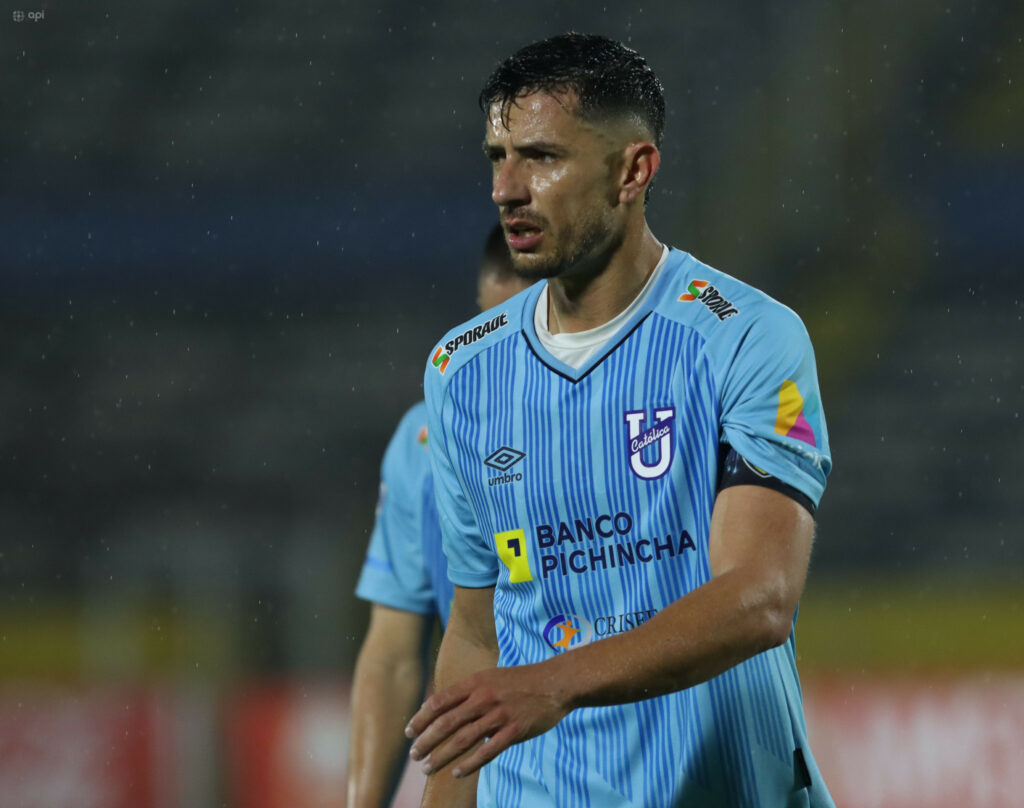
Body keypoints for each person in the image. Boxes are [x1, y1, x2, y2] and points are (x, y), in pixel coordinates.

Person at [408, 33, 835, 808]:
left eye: (541, 157)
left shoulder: (746, 335)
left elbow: (761, 595)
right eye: (496, 156)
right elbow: (475, 633)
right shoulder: (459, 371)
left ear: (633, 171)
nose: (506, 188)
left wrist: (556, 685)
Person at [347, 224, 531, 808]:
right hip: (494, 770)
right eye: (485, 332)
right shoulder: (420, 443)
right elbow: (393, 656)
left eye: (522, 336)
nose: (497, 365)